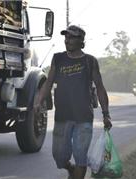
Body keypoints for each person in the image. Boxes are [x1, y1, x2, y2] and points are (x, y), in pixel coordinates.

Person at [34, 25, 112, 179]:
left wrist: (106, 114)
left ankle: (77, 172)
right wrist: (38, 102)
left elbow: (101, 88)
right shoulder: (58, 58)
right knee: (59, 157)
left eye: (71, 37)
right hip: (62, 117)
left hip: (84, 118)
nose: (66, 40)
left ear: (81, 41)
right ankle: (70, 168)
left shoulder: (90, 61)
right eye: (66, 37)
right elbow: (48, 83)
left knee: (80, 157)